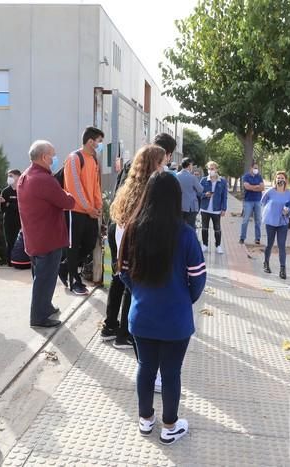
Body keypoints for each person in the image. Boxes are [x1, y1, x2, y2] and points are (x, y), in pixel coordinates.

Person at [119, 172, 206, 445]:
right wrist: (183, 298)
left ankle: (145, 420)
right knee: (171, 373)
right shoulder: (186, 234)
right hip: (175, 319)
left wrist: (141, 295)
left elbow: (123, 272)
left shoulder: (133, 229)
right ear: (176, 199)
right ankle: (170, 426)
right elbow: (198, 279)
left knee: (145, 367)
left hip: (142, 315)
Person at [104, 145, 166, 349]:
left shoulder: (130, 184)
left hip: (119, 235)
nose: (163, 167)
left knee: (119, 280)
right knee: (133, 287)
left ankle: (109, 327)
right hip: (132, 239)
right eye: (162, 163)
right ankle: (125, 334)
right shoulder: (152, 186)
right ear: (153, 164)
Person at [17, 140, 76, 328]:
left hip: (35, 238)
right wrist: (68, 194)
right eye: (52, 154)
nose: (54, 158)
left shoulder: (26, 176)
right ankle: (39, 317)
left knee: (41, 277)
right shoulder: (44, 179)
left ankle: (46, 306)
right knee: (45, 279)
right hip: (48, 239)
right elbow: (68, 202)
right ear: (44, 157)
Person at [61, 127, 103, 295]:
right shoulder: (74, 158)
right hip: (75, 210)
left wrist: (98, 206)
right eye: (99, 141)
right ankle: (74, 281)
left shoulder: (93, 160)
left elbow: (95, 186)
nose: (100, 145)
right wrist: (88, 208)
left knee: (89, 244)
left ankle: (64, 268)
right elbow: (74, 188)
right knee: (73, 246)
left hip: (90, 211)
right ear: (91, 141)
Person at [261, 171, 290, 279]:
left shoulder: (289, 193)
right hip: (270, 221)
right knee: (269, 243)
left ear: (285, 180)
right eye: (278, 178)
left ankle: (282, 269)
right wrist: (270, 210)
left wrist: (287, 211)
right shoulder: (270, 191)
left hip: (282, 222)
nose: (280, 180)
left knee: (281, 245)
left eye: (282, 178)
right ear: (275, 180)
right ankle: (266, 263)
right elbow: (263, 202)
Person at [199, 161, 228, 254]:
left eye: (212, 169)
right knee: (204, 228)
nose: (210, 170)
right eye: (209, 169)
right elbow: (198, 193)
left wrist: (224, 209)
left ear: (216, 170)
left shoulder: (222, 181)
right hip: (205, 208)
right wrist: (205, 194)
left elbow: (224, 196)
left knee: (217, 228)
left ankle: (218, 246)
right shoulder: (203, 180)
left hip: (216, 209)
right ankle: (205, 245)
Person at [240, 162, 264, 245]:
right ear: (251, 168)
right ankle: (242, 238)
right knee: (245, 220)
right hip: (248, 201)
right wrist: (256, 187)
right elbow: (246, 186)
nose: (256, 170)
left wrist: (252, 187)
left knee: (258, 220)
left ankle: (257, 238)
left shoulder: (259, 176)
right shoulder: (246, 176)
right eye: (255, 168)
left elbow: (262, 187)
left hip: (257, 201)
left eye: (257, 168)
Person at [1, 169, 22, 266]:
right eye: (8, 176)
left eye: (11, 176)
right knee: (10, 241)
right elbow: (3, 208)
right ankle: (10, 263)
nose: (9, 178)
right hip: (9, 221)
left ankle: (20, 261)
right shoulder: (5, 191)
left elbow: (22, 206)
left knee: (20, 242)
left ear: (18, 177)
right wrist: (13, 205)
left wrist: (11, 204)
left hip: (20, 221)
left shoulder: (22, 190)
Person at [176, 157, 203, 229]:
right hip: (191, 206)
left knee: (180, 227)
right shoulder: (192, 177)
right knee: (190, 228)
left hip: (179, 206)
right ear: (189, 165)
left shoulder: (176, 176)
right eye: (192, 165)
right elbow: (200, 189)